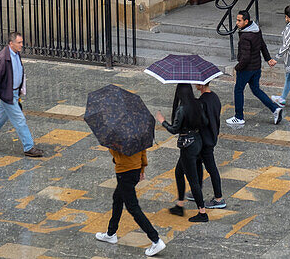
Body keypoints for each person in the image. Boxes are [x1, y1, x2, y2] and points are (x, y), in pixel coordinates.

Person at [0, 30, 44, 158]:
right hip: (8, 95)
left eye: (22, 42)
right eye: (19, 42)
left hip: (13, 93)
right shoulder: (3, 58)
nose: (21, 45)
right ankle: (29, 147)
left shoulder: (15, 53)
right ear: (11, 43)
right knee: (20, 121)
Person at [95, 145, 165, 255]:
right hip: (136, 170)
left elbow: (116, 155)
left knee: (133, 207)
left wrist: (111, 146)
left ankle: (156, 240)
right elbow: (143, 150)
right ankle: (111, 233)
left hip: (124, 172)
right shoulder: (137, 131)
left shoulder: (118, 137)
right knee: (117, 198)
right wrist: (142, 168)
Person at [156, 84, 209, 223]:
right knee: (179, 172)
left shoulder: (182, 109)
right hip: (197, 142)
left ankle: (202, 212)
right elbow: (205, 121)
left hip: (187, 145)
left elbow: (174, 129)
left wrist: (163, 122)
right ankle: (180, 204)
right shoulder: (198, 104)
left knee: (193, 181)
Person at [226, 10, 282, 127]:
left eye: (239, 20)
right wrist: (268, 59)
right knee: (256, 90)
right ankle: (274, 109)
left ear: (246, 21)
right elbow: (262, 45)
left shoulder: (245, 37)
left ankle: (239, 117)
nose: (237, 23)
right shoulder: (256, 30)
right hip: (256, 67)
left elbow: (245, 58)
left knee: (238, 90)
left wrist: (237, 68)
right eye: (237, 20)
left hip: (247, 69)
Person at [192, 82, 225, 209]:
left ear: (201, 85)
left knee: (211, 168)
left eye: (197, 83)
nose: (195, 84)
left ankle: (219, 198)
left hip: (204, 140)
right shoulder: (215, 97)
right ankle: (197, 191)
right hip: (212, 135)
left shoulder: (202, 102)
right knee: (197, 163)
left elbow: (200, 121)